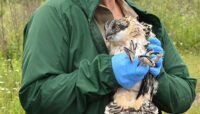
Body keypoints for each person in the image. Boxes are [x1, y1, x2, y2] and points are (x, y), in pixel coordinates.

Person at [19, 0, 197, 114]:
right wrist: (107, 72)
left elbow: (184, 94)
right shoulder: (53, 14)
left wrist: (158, 76)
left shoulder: (142, 18)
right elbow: (35, 96)